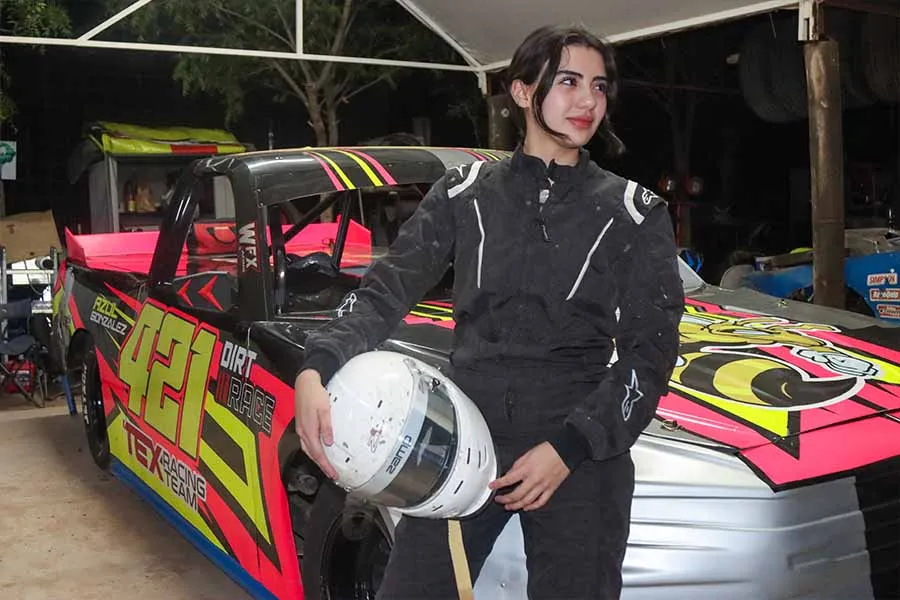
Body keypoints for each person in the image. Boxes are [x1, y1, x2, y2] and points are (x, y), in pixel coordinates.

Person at [294, 24, 684, 600]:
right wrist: (316, 366)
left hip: (579, 448)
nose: (588, 102)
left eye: (599, 87)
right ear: (523, 91)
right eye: (569, 81)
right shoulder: (464, 192)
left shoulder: (633, 212)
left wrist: (568, 449)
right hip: (459, 433)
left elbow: (650, 353)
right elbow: (384, 289)